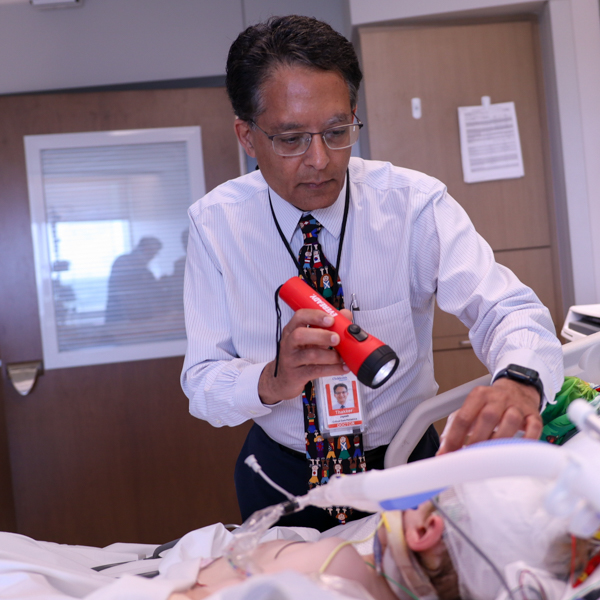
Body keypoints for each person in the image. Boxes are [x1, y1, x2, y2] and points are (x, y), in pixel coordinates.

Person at [180, 15, 564, 530]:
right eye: (291, 139)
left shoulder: (411, 204)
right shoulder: (216, 225)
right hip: (282, 474)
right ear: (247, 137)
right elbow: (202, 383)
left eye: (338, 132)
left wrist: (520, 379)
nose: (319, 159)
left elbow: (505, 308)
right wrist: (275, 379)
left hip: (406, 461)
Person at [105, 236, 163, 323]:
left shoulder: (145, 271)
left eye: (154, 253)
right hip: (122, 320)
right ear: (144, 249)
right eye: (151, 252)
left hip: (137, 320)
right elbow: (126, 294)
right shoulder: (122, 262)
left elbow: (153, 292)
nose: (152, 257)